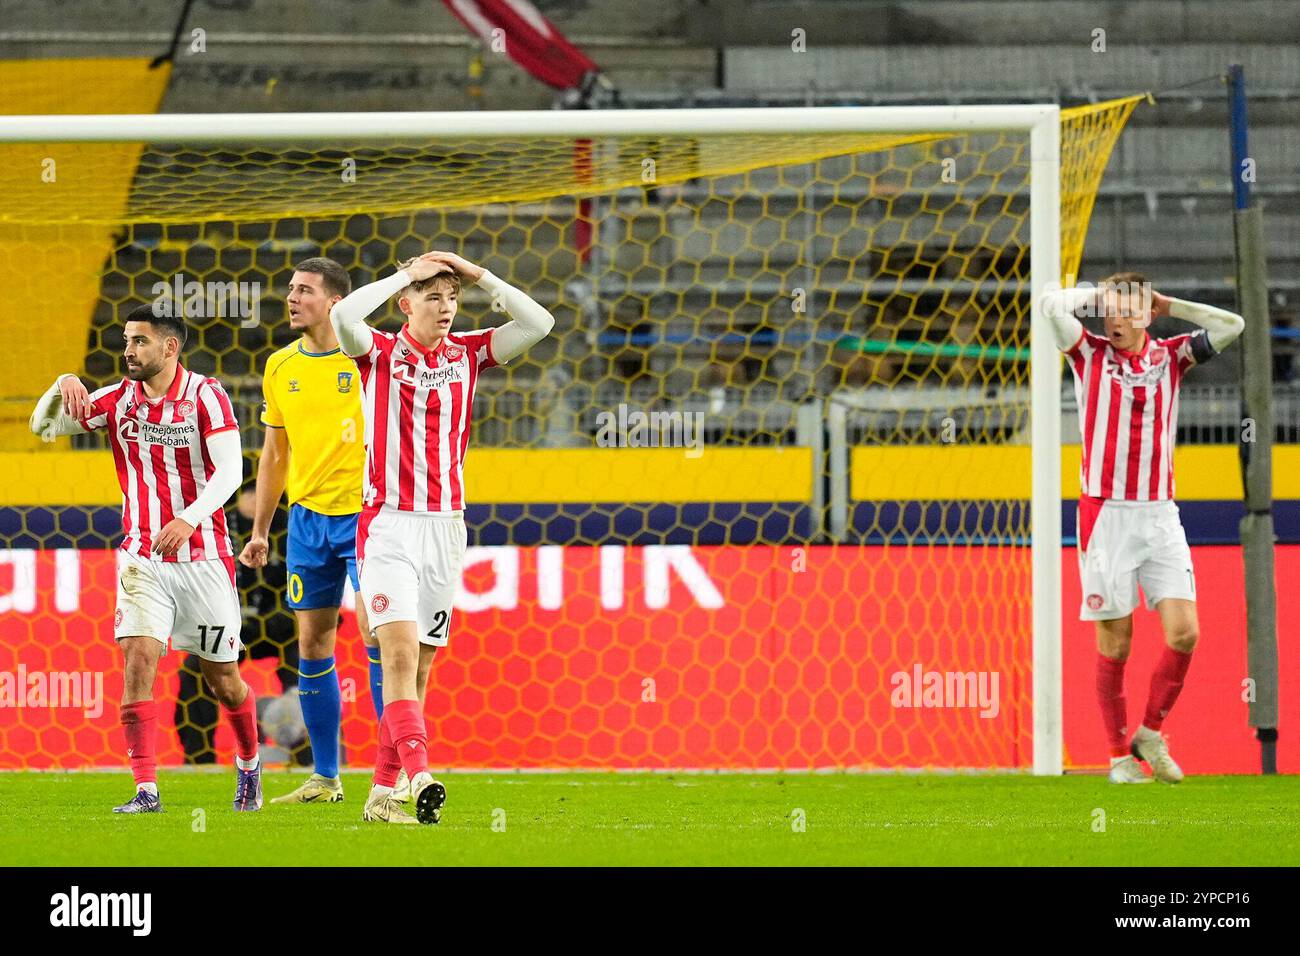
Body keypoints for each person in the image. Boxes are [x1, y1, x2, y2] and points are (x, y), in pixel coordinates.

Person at [330, 250, 553, 824]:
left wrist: (477, 273)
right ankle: (421, 772)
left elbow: (539, 324)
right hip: (388, 527)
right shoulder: (378, 354)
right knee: (399, 655)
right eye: (434, 297)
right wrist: (406, 273)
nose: (447, 307)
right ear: (406, 305)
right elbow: (343, 318)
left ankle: (382, 794)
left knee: (422, 668)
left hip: (447, 528)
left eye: (453, 298)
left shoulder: (470, 354)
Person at [30, 303, 263, 811]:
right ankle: (146, 789)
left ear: (170, 346)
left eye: (139, 341)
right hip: (142, 558)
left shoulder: (207, 396)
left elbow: (229, 473)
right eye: (126, 341)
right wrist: (62, 383)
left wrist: (188, 519)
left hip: (203, 557)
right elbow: (43, 428)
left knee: (223, 679)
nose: (128, 350)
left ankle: (249, 764)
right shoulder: (118, 399)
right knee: (138, 660)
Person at [1042, 273, 1244, 784]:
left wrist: (1167, 301)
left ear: (1148, 315)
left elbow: (1233, 324)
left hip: (1160, 512)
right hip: (1106, 514)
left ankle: (1150, 732)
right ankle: (1116, 758)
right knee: (1116, 645)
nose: (1115, 319)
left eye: (1128, 311)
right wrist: (1098, 295)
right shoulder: (1088, 354)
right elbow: (1048, 306)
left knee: (1185, 632)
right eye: (1110, 310)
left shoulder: (1172, 357)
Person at [239, 257, 380, 803]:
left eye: (304, 291)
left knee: (377, 638)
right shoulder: (280, 366)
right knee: (312, 643)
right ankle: (326, 776)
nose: (292, 298)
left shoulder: (368, 358)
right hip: (306, 521)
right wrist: (260, 529)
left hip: (367, 517)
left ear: (336, 302)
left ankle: (392, 775)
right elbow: (275, 452)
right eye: (290, 289)